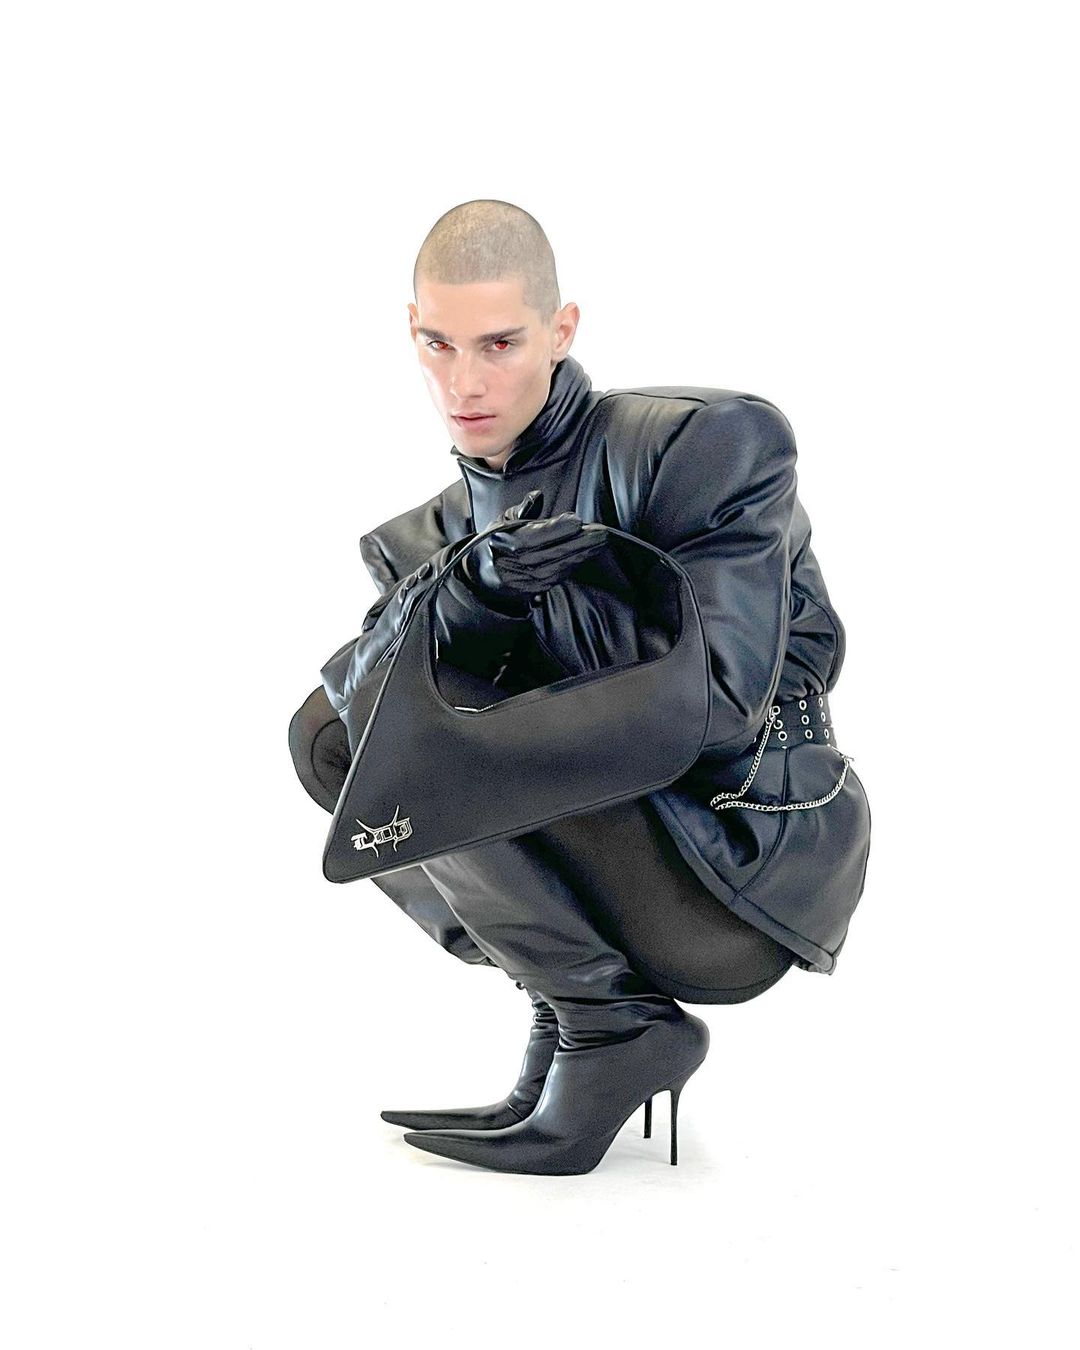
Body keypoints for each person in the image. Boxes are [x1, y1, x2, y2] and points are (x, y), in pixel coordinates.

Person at [288, 199, 872, 1175]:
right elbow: (354, 725)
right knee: (340, 731)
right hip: (617, 859)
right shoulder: (426, 540)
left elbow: (723, 707)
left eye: (500, 343)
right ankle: (583, 1018)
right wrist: (474, 597)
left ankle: (608, 1028)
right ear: (411, 331)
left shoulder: (702, 446)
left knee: (415, 720)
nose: (464, 383)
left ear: (560, 330)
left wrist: (492, 680)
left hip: (736, 851)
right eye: (439, 345)